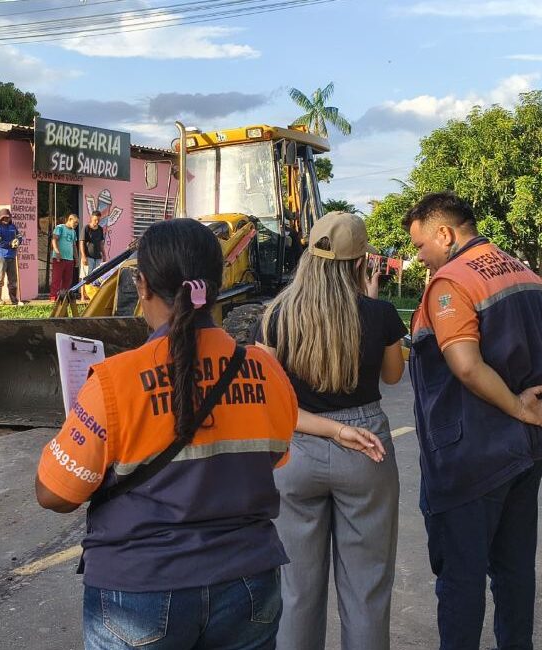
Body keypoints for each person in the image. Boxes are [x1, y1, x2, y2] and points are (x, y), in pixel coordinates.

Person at [35, 218, 299, 650]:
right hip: (249, 584)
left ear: (141, 286)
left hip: (140, 592)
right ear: (216, 284)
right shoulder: (266, 371)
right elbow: (271, 455)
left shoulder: (113, 382)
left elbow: (54, 495)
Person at [403, 192, 542, 650]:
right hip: (525, 451)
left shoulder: (450, 282)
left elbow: (465, 365)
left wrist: (521, 407)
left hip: (469, 456)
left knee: (461, 577)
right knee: (515, 568)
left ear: (445, 234)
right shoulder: (523, 272)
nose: (419, 257)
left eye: (421, 245)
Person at [257, 211, 405, 650]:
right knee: (367, 587)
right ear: (361, 262)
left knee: (296, 589)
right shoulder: (379, 314)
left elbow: (268, 401)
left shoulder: (275, 315)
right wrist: (373, 303)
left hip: (294, 448)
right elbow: (393, 376)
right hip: (366, 447)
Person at [0, 208, 24, 305]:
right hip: (1, 256)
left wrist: (18, 241)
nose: (6, 219)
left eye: (8, 217)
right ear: (0, 219)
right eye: (4, 218)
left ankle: (14, 299)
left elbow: (19, 236)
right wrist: (10, 244)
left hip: (12, 256)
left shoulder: (13, 227)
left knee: (13, 280)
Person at [50, 213, 83, 298]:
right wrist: (57, 252)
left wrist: (76, 259)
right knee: (56, 278)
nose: (76, 225)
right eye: (75, 222)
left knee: (67, 280)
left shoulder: (73, 232)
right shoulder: (60, 227)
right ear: (70, 219)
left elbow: (74, 246)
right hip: (59, 258)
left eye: (77, 223)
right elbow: (54, 239)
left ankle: (63, 297)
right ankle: (53, 297)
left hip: (69, 259)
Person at [83, 210, 106, 275]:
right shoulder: (86, 228)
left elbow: (101, 243)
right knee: (87, 277)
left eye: (98, 220)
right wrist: (83, 256)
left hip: (98, 257)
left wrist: (104, 255)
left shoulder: (100, 229)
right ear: (91, 218)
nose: (97, 221)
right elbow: (81, 242)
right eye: (95, 220)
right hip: (88, 257)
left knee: (97, 276)